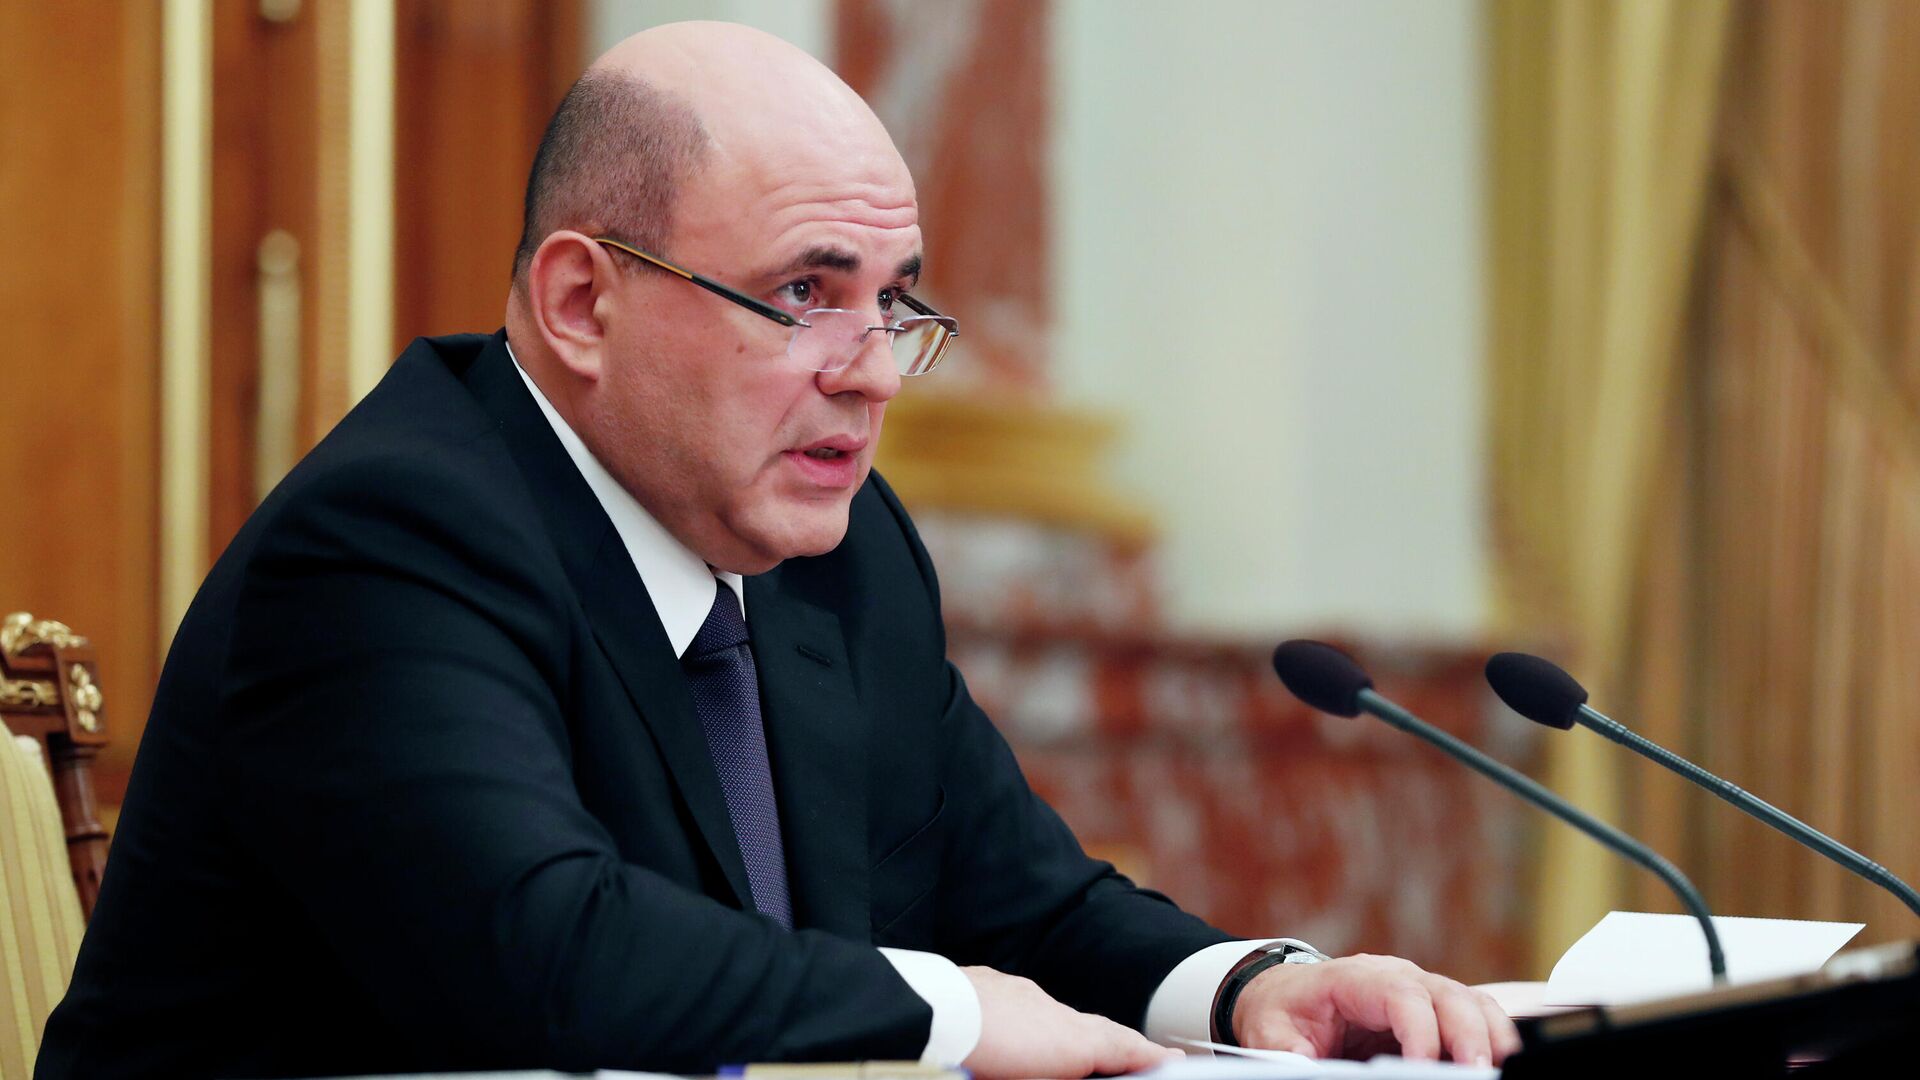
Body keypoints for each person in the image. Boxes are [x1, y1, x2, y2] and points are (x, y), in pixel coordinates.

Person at [37, 22, 1519, 1079]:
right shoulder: (391, 543)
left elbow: (1022, 894)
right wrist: (948, 1015)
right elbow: (547, 952)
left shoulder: (830, 544)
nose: (872, 373)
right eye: (807, 293)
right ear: (581, 303)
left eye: (894, 301)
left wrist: (1251, 988)